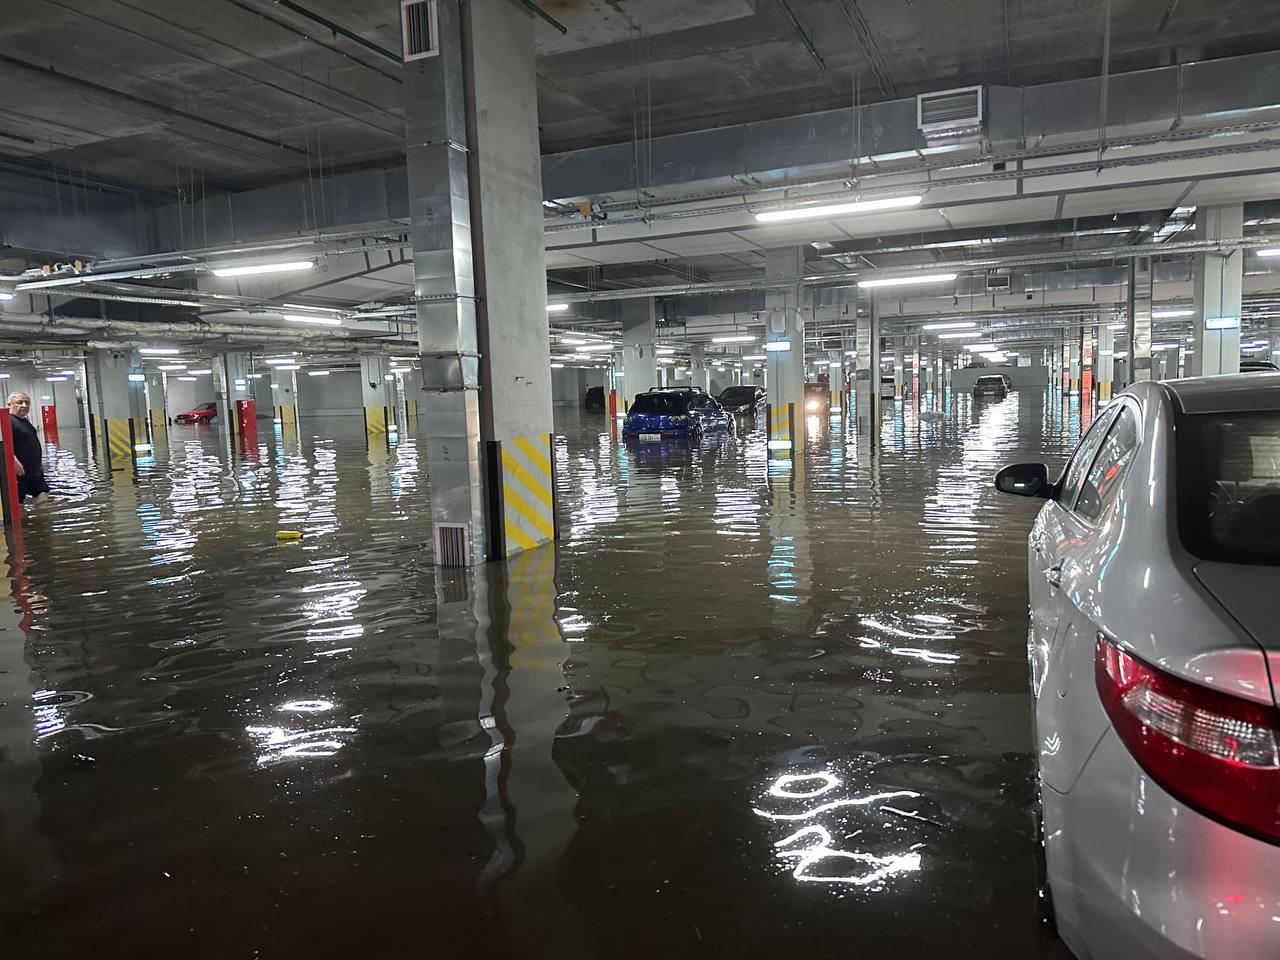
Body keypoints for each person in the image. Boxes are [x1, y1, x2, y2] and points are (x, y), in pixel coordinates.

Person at [7, 392, 49, 504]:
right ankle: (22, 520)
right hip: (19, 471)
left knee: (43, 492)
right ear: (9, 404)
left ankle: (38, 518)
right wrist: (14, 462)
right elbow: (5, 445)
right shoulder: (8, 421)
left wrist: (39, 464)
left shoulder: (24, 420)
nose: (24, 405)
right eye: (20, 402)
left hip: (33, 470)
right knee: (17, 501)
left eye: (27, 403)